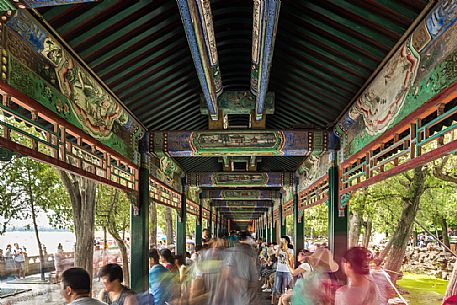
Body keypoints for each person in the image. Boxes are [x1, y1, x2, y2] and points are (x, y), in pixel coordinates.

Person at [272, 236, 294, 303]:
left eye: (283, 240)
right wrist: (279, 247)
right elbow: (276, 255)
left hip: (286, 271)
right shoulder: (279, 248)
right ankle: (278, 299)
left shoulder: (290, 250)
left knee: (285, 287)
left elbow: (290, 257)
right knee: (277, 286)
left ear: (287, 241)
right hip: (279, 270)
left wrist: (285, 248)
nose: (281, 241)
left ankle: (282, 301)